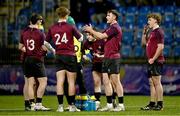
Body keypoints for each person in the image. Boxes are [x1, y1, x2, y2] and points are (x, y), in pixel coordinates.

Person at [83, 9, 125, 111]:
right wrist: (92, 31)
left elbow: (101, 36)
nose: (106, 17)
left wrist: (91, 31)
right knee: (106, 82)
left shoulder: (115, 27)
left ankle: (121, 105)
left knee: (116, 81)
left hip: (113, 57)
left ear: (114, 17)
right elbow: (100, 35)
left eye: (108, 15)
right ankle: (109, 105)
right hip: (107, 58)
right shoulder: (110, 27)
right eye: (107, 15)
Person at [46, 6, 83, 112]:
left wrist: (53, 50)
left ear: (58, 14)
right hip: (70, 55)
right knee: (71, 82)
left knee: (60, 81)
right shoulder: (70, 26)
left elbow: (45, 42)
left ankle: (60, 106)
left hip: (58, 55)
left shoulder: (52, 27)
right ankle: (71, 106)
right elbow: (80, 38)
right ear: (67, 15)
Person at [19, 14, 51, 111]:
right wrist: (47, 51)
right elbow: (45, 47)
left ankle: (30, 104)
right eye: (41, 21)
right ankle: (38, 104)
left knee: (29, 83)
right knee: (43, 81)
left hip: (27, 59)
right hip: (37, 59)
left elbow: (20, 47)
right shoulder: (40, 33)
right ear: (38, 22)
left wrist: (28, 50)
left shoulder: (24, 32)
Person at [141, 13, 164, 111]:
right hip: (150, 60)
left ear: (155, 20)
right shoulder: (152, 32)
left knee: (157, 82)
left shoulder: (159, 31)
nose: (148, 22)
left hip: (156, 60)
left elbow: (161, 47)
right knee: (151, 82)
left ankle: (160, 104)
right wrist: (144, 33)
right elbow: (143, 44)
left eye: (150, 20)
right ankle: (152, 103)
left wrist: (153, 59)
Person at [83, 33, 105, 110]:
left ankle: (112, 101)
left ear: (94, 35)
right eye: (86, 35)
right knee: (96, 82)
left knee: (108, 83)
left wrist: (101, 56)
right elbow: (83, 52)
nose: (87, 37)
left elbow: (108, 53)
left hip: (104, 63)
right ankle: (97, 102)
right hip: (95, 64)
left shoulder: (101, 41)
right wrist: (85, 56)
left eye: (89, 35)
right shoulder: (86, 43)